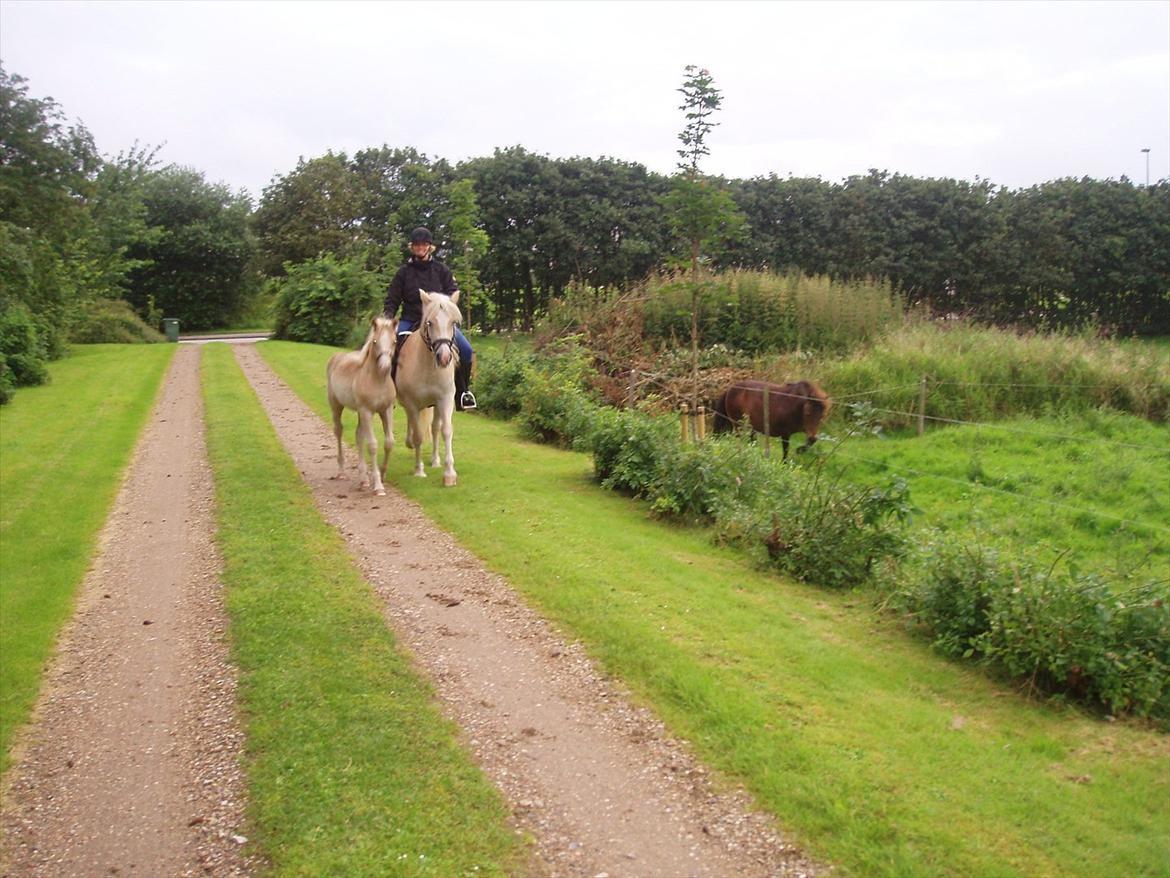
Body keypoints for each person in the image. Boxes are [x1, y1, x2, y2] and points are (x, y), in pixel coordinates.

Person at [383, 227, 476, 410]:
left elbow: (452, 293)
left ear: (429, 247)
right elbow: (392, 299)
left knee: (466, 350)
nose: (420, 247)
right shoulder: (403, 272)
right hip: (411, 319)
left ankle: (463, 393)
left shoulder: (441, 270)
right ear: (412, 247)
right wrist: (388, 319)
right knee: (391, 348)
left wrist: (446, 310)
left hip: (439, 322)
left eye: (424, 244)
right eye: (417, 245)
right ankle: (390, 390)